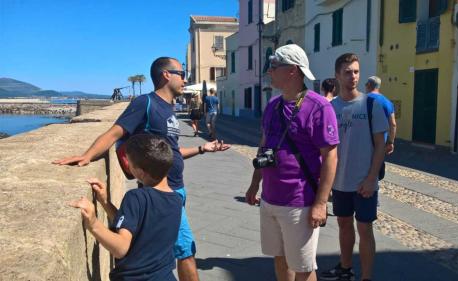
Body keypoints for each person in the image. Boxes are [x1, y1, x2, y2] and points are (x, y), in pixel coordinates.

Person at [54, 56, 231, 281]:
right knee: (185, 251)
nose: (185, 80)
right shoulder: (145, 103)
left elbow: (172, 151)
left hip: (175, 191)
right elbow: (114, 133)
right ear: (166, 75)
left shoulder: (169, 108)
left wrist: (203, 149)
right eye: (181, 74)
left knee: (169, 250)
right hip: (161, 192)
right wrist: (87, 156)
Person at [246, 44, 339, 281]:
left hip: (300, 202)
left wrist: (320, 203)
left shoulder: (319, 107)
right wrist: (254, 184)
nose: (269, 71)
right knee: (279, 256)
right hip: (270, 198)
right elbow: (264, 147)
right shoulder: (272, 106)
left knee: (304, 267)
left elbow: (331, 156)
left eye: (274, 66)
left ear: (292, 71)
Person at [69, 134, 182, 280]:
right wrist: (105, 202)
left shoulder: (136, 197)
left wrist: (93, 223)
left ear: (140, 172)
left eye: (129, 163)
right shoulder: (176, 201)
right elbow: (138, 228)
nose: (127, 165)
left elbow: (121, 248)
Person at [320, 54, 388, 281]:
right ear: (338, 75)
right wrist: (325, 184)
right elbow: (325, 148)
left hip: (364, 183)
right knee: (343, 225)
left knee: (365, 229)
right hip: (339, 182)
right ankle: (345, 268)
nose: (353, 76)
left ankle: (366, 277)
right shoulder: (330, 108)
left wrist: (371, 179)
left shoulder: (371, 105)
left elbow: (380, 146)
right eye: (348, 72)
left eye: (356, 71)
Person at [365, 76, 397, 154]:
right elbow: (393, 124)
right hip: (380, 144)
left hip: (362, 143)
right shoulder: (387, 102)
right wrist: (390, 142)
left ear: (368, 85)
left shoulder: (361, 100)